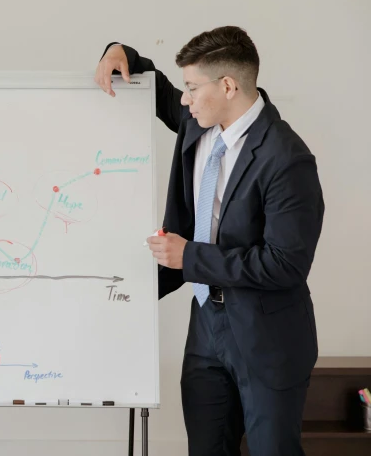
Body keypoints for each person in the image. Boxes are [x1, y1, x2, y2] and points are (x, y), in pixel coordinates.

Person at [95, 26, 324, 455]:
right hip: (206, 330)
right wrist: (118, 50)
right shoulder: (200, 122)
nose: (184, 99)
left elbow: (285, 263)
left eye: (192, 88)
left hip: (267, 335)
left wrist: (190, 257)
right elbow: (156, 87)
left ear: (228, 85)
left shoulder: (287, 159)